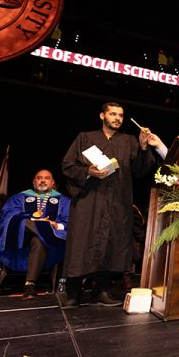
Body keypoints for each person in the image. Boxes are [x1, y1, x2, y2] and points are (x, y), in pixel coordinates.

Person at [60, 102, 156, 307]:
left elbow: (140, 170)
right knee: (81, 244)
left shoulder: (128, 141)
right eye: (112, 114)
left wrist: (143, 146)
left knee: (111, 244)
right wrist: (88, 171)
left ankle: (101, 291)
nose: (117, 118)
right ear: (102, 116)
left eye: (120, 115)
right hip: (89, 201)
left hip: (117, 202)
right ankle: (73, 292)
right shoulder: (85, 138)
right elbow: (67, 165)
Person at [0, 169, 70, 299]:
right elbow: (9, 216)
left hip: (50, 241)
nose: (42, 180)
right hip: (20, 237)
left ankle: (29, 285)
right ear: (34, 182)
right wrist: (34, 221)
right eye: (39, 178)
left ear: (53, 182)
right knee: (25, 223)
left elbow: (69, 220)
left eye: (47, 178)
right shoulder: (19, 198)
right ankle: (42, 229)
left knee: (38, 241)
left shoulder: (63, 200)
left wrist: (56, 225)